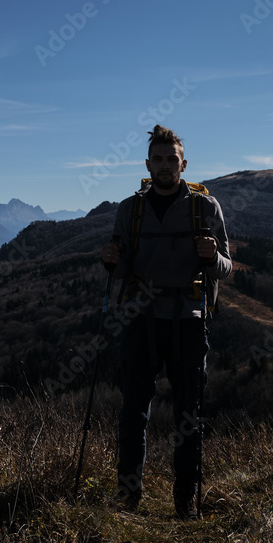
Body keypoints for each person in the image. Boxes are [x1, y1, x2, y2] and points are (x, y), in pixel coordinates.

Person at [101, 124, 232, 519]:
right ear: (147, 164)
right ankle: (128, 498)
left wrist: (211, 257)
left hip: (188, 319)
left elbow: (225, 269)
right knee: (133, 411)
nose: (164, 166)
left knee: (188, 414)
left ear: (183, 164)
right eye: (157, 159)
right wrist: (112, 260)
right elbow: (121, 267)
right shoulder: (130, 210)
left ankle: (185, 503)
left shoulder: (205, 208)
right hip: (142, 319)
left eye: (171, 159)